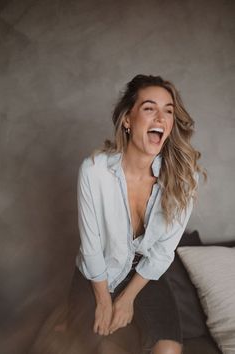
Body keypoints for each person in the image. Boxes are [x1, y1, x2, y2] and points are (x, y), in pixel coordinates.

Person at [75, 74, 205, 354]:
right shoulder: (95, 171)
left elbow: (162, 251)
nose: (161, 118)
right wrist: (104, 301)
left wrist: (127, 298)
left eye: (168, 111)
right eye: (149, 108)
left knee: (169, 349)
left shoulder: (184, 178)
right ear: (127, 120)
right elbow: (91, 247)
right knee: (106, 348)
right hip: (98, 273)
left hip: (145, 274)